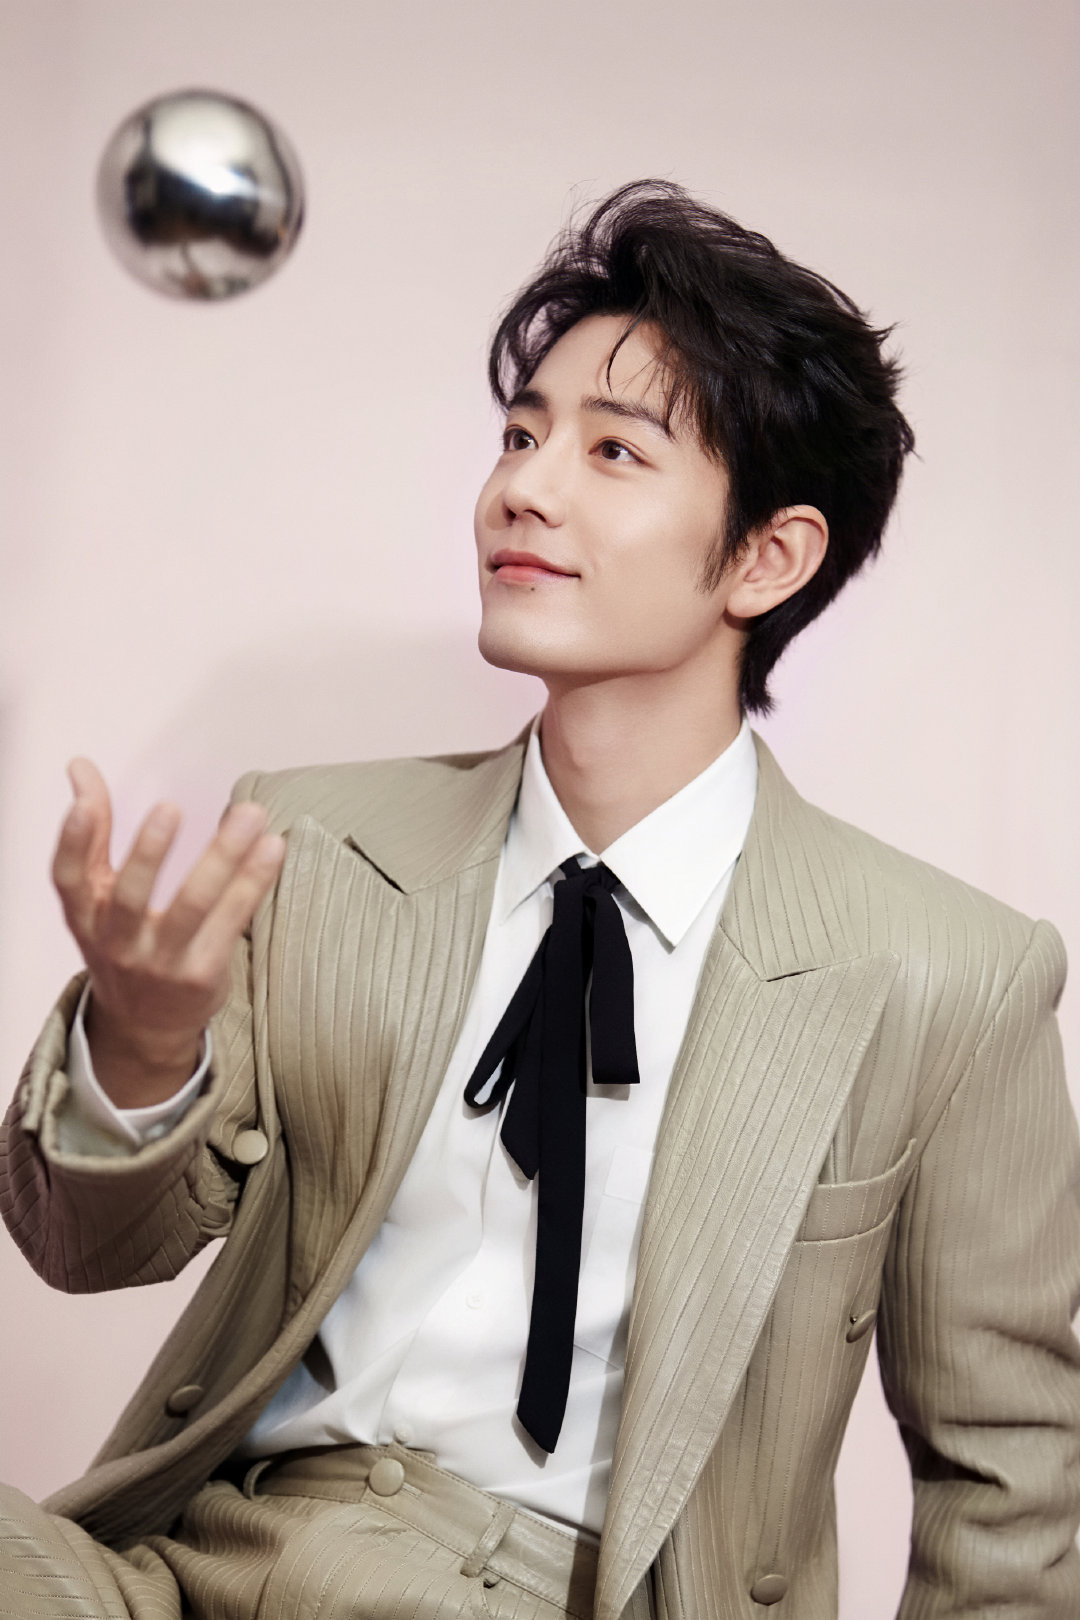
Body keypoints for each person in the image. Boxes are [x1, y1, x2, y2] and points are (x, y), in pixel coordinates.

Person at [2, 178, 1078, 1620]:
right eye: (521, 434)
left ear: (770, 556)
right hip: (192, 1563)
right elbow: (80, 1247)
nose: (525, 485)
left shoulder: (946, 975)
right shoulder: (314, 840)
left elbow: (1009, 1480)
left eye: (614, 450)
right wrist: (141, 1047)